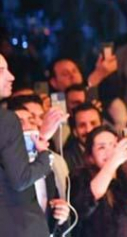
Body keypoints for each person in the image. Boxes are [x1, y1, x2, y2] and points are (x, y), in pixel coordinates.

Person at [0, 54, 67, 236]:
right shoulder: (6, 119)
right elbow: (21, 179)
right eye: (1, 71)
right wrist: (45, 155)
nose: (11, 77)